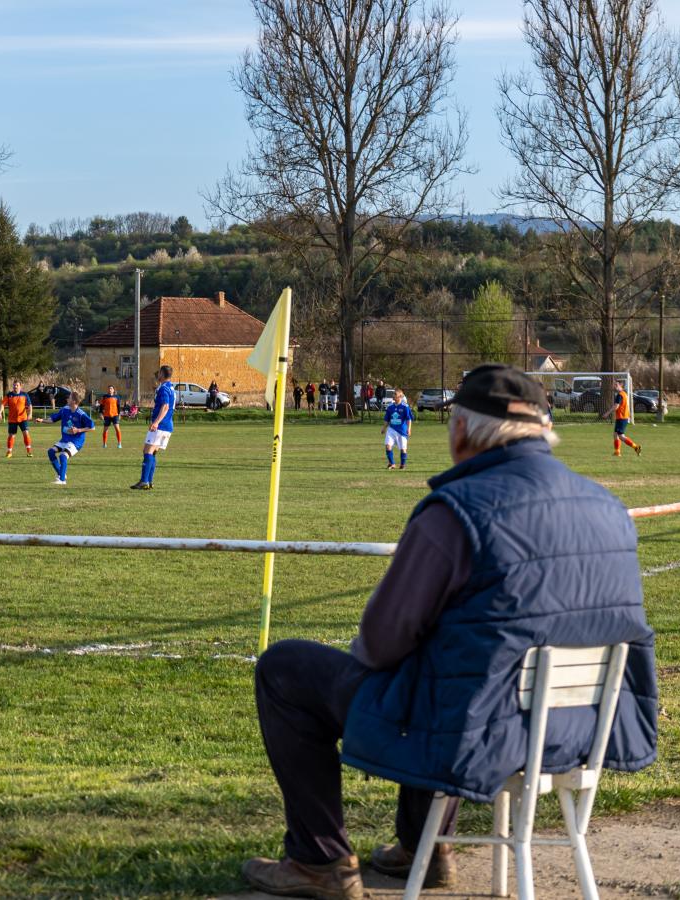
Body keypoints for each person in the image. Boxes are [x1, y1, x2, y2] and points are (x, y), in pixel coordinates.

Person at [241, 364, 658, 900]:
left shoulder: (455, 513)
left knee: (285, 668)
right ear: (543, 432)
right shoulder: (609, 506)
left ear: (461, 431)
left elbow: (381, 641)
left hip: (480, 731)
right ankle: (424, 846)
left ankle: (319, 859)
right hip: (582, 730)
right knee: (451, 669)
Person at [130, 366, 177, 491]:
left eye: (159, 373)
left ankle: (144, 481)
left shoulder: (163, 388)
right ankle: (149, 481)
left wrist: (156, 422)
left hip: (161, 425)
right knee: (153, 452)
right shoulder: (171, 387)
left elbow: (165, 406)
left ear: (162, 373)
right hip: (167, 425)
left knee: (147, 451)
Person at [45, 391, 94, 486]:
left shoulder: (81, 414)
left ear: (74, 401)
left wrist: (78, 430)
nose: (67, 399)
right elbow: (53, 419)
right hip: (65, 440)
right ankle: (61, 473)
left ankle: (62, 480)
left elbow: (92, 427)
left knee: (63, 456)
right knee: (51, 451)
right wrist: (42, 420)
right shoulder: (65, 410)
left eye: (70, 398)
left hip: (76, 442)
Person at [606, 383, 642, 457]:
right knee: (615, 434)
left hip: (622, 418)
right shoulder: (624, 394)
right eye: (614, 386)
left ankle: (636, 447)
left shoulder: (620, 395)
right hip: (622, 417)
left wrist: (607, 413)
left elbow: (616, 406)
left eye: (616, 385)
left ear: (621, 385)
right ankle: (617, 452)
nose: (615, 387)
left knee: (621, 436)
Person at [381, 389, 413, 470]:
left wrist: (409, 429)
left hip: (402, 431)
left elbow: (409, 419)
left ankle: (402, 465)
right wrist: (384, 428)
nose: (393, 396)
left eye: (395, 394)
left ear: (400, 397)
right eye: (393, 394)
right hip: (391, 429)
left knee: (403, 449)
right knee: (388, 446)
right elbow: (387, 419)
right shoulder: (390, 407)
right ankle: (392, 464)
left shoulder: (405, 407)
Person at [3, 379, 34, 458]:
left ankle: (29, 451)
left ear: (20, 386)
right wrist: (0, 412)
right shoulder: (9, 395)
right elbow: (2, 404)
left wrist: (30, 414)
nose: (15, 386)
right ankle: (9, 452)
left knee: (26, 433)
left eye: (17, 385)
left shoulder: (24, 394)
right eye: (14, 385)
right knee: (11, 435)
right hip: (12, 419)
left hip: (23, 418)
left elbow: (30, 405)